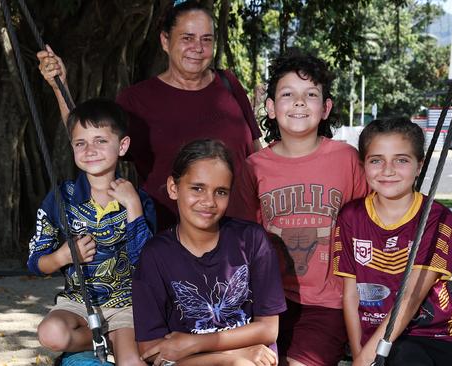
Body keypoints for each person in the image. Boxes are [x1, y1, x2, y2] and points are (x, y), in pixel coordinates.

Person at [37, 0, 261, 231]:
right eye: (187, 38)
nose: (198, 47)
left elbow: (257, 157)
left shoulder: (228, 84)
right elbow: (87, 138)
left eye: (207, 39)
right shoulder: (137, 100)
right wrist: (59, 86)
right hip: (171, 241)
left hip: (242, 234)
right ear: (165, 40)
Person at [235, 52, 368, 365]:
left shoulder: (347, 159)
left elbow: (369, 226)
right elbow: (241, 238)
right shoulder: (252, 168)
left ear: (326, 108)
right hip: (267, 300)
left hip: (329, 302)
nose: (298, 102)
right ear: (269, 108)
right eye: (287, 94)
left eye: (310, 95)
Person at [131, 139, 287, 366]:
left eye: (221, 192)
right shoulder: (155, 256)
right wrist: (231, 356)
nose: (209, 201)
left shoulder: (252, 240)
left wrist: (194, 343)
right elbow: (151, 351)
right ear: (174, 188)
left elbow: (269, 329)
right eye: (197, 188)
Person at [27, 98, 156, 365]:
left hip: (128, 307)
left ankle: (114, 339)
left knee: (133, 363)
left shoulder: (139, 200)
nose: (90, 149)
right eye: (80, 143)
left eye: (100, 141)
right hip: (78, 305)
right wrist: (62, 256)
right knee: (50, 334)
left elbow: (148, 266)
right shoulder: (61, 198)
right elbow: (35, 262)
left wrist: (132, 207)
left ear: (122, 146)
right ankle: (101, 339)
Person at [333, 118, 452, 366]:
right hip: (372, 337)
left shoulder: (437, 217)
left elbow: (410, 297)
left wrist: (366, 357)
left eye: (401, 160)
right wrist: (359, 353)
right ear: (363, 165)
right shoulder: (351, 217)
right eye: (376, 160)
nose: (388, 170)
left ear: (419, 165)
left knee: (405, 355)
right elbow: (350, 295)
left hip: (432, 337)